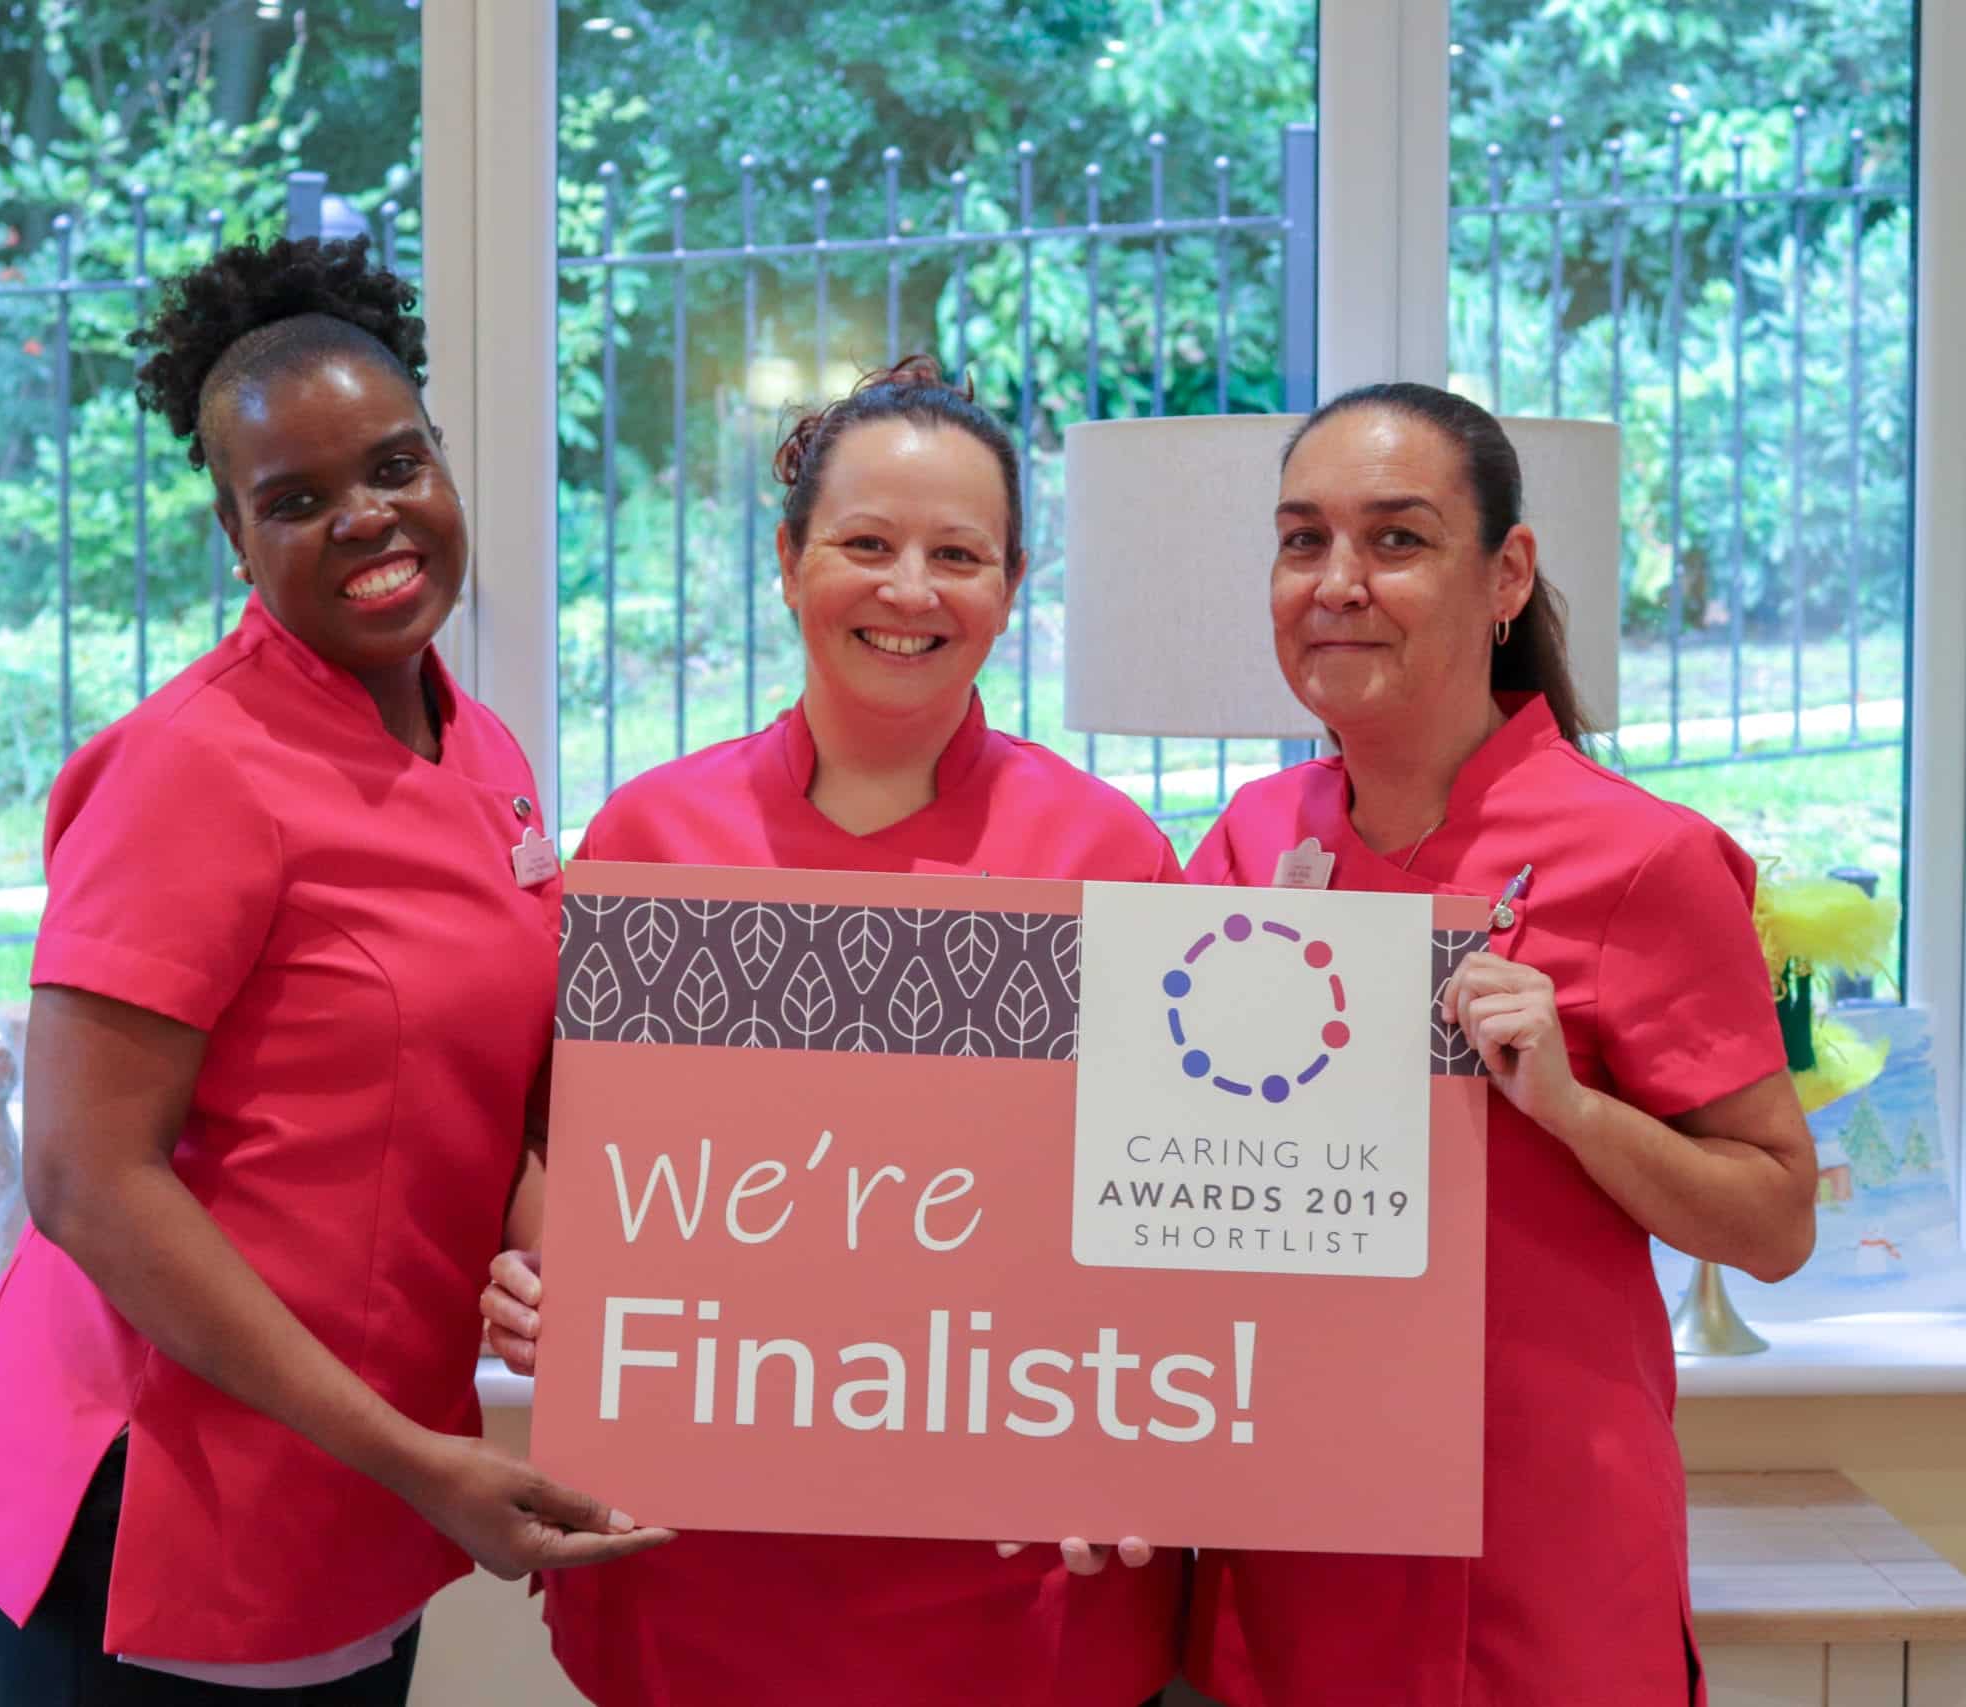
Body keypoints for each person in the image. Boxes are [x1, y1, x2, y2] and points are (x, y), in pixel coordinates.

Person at [0, 234, 668, 1707]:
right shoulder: (190, 769)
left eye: (395, 466)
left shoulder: (481, 748)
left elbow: (482, 1090)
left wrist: (573, 1267)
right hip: (164, 1518)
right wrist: (417, 1460)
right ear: (233, 531)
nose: (366, 518)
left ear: (443, 463)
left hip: (356, 1509)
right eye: (297, 499)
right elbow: (84, 1178)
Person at [481, 357, 1185, 1707]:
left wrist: (1149, 1424)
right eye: (866, 544)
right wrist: (550, 1287)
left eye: (957, 555)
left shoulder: (1109, 855)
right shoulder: (653, 837)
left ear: (1013, 583)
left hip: (1015, 1573)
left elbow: (1176, 1207)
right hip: (699, 1564)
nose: (910, 590)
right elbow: (565, 1147)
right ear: (790, 562)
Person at [1179, 384, 1817, 1705]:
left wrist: (1575, 1113)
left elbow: (1774, 1222)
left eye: (1396, 540)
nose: (1337, 583)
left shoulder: (1641, 860)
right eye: (1302, 540)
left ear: (1506, 574)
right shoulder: (1250, 843)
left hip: (1537, 1555)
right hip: (1295, 1537)